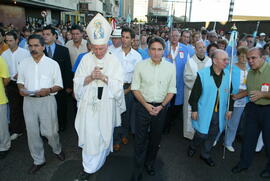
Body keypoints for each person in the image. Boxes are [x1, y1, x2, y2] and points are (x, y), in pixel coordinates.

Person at [73, 13, 125, 181]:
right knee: (89, 134)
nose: (98, 52)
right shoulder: (85, 59)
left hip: (106, 105)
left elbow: (119, 85)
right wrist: (90, 77)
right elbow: (77, 82)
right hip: (88, 104)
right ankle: (88, 167)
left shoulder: (114, 61)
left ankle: (98, 162)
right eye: (94, 48)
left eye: (101, 48)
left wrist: (104, 78)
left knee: (103, 133)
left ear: (107, 45)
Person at [17, 34, 65, 174]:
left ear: (43, 46)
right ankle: (38, 160)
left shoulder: (52, 64)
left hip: (47, 101)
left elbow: (59, 85)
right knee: (32, 133)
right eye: (30, 46)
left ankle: (57, 149)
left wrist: (49, 90)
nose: (33, 48)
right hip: (29, 102)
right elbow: (20, 81)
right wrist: (21, 89)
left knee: (50, 131)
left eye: (36, 45)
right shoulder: (24, 63)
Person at [131, 37, 176, 181]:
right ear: (148, 50)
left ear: (164, 51)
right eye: (153, 49)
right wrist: (146, 105)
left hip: (161, 108)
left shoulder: (170, 67)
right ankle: (137, 169)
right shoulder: (140, 65)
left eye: (159, 49)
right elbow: (135, 88)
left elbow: (171, 90)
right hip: (143, 106)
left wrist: (161, 106)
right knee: (140, 139)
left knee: (155, 140)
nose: (156, 53)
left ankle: (149, 164)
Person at [187, 49, 233, 167]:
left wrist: (230, 109)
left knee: (214, 133)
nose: (227, 62)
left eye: (227, 59)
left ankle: (205, 154)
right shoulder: (203, 74)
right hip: (205, 110)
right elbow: (194, 95)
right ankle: (193, 146)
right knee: (202, 133)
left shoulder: (228, 74)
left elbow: (230, 94)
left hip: (220, 111)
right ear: (214, 60)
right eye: (224, 59)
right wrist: (194, 110)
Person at [232, 48, 270, 179]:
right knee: (248, 139)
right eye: (248, 59)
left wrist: (263, 94)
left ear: (262, 58)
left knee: (268, 141)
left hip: (268, 110)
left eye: (253, 58)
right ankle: (244, 163)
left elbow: (259, 93)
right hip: (253, 109)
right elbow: (249, 91)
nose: (250, 61)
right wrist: (236, 96)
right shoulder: (250, 72)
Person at [113, 27, 142, 151]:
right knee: (115, 114)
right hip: (115, 87)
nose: (124, 40)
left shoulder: (137, 56)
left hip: (129, 89)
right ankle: (116, 139)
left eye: (127, 37)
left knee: (126, 113)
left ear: (132, 40)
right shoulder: (113, 53)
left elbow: (137, 77)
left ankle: (124, 134)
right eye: (122, 37)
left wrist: (128, 90)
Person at [43, 25, 73, 131]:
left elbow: (67, 69)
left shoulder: (63, 50)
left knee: (61, 107)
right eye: (44, 35)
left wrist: (68, 86)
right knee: (46, 110)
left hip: (60, 86)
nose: (45, 37)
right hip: (45, 86)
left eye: (48, 34)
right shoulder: (40, 51)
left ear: (55, 36)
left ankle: (61, 125)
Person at [2, 31, 30, 140]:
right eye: (7, 41)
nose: (8, 43)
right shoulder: (4, 54)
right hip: (11, 84)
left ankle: (28, 127)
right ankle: (16, 130)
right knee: (14, 108)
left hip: (24, 83)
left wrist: (21, 74)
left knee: (26, 107)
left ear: (17, 40)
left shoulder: (25, 53)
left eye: (10, 40)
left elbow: (29, 67)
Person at [183, 40, 212, 140]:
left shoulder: (210, 61)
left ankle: (201, 133)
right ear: (195, 49)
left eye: (204, 47)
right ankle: (190, 135)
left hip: (206, 94)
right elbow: (187, 78)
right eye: (200, 47)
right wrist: (200, 81)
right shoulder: (190, 62)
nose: (202, 49)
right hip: (192, 92)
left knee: (203, 114)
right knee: (190, 114)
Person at [163, 29, 189, 134]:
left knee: (176, 105)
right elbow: (157, 59)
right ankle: (164, 125)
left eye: (177, 36)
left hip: (179, 81)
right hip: (166, 81)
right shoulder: (164, 46)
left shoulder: (184, 49)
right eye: (172, 35)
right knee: (165, 103)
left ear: (180, 37)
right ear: (169, 36)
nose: (174, 37)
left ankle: (170, 123)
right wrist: (166, 58)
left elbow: (188, 65)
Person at [0, 56, 10, 159]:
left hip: (0, 99)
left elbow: (6, 79)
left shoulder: (0, 60)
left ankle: (4, 147)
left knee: (1, 126)